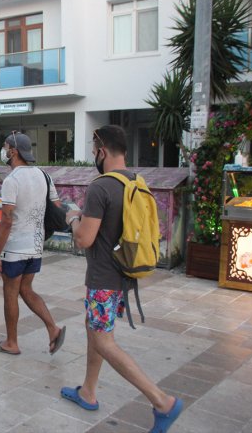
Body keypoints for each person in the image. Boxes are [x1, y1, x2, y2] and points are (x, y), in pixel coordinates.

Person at [63, 125, 182, 432]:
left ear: (102, 151)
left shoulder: (101, 187)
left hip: (103, 278)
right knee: (94, 328)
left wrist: (73, 218)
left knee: (104, 341)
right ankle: (88, 392)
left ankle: (162, 402)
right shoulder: (135, 181)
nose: (94, 156)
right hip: (123, 275)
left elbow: (84, 239)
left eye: (94, 151)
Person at [0, 132, 66, 355]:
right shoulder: (44, 175)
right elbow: (58, 207)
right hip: (36, 245)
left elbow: (6, 220)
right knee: (26, 289)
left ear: (13, 152)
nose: (4, 151)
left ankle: (11, 343)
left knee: (10, 293)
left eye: (5, 147)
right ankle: (53, 329)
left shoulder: (12, 180)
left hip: (15, 247)